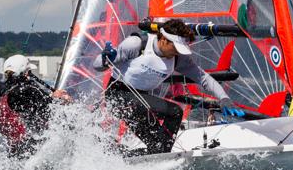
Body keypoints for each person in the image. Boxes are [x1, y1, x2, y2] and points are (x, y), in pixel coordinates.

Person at [94, 19, 244, 154]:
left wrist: (224, 98)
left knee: (158, 146)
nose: (178, 52)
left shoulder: (178, 58)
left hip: (141, 100)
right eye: (176, 47)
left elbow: (203, 78)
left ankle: (121, 156)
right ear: (164, 39)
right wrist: (105, 59)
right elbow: (98, 67)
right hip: (117, 96)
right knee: (175, 111)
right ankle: (155, 156)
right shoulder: (137, 44)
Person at [0, 55, 71, 156]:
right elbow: (49, 106)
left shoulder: (3, 90)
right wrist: (60, 98)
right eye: (30, 72)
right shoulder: (28, 89)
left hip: (14, 147)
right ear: (26, 72)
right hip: (34, 146)